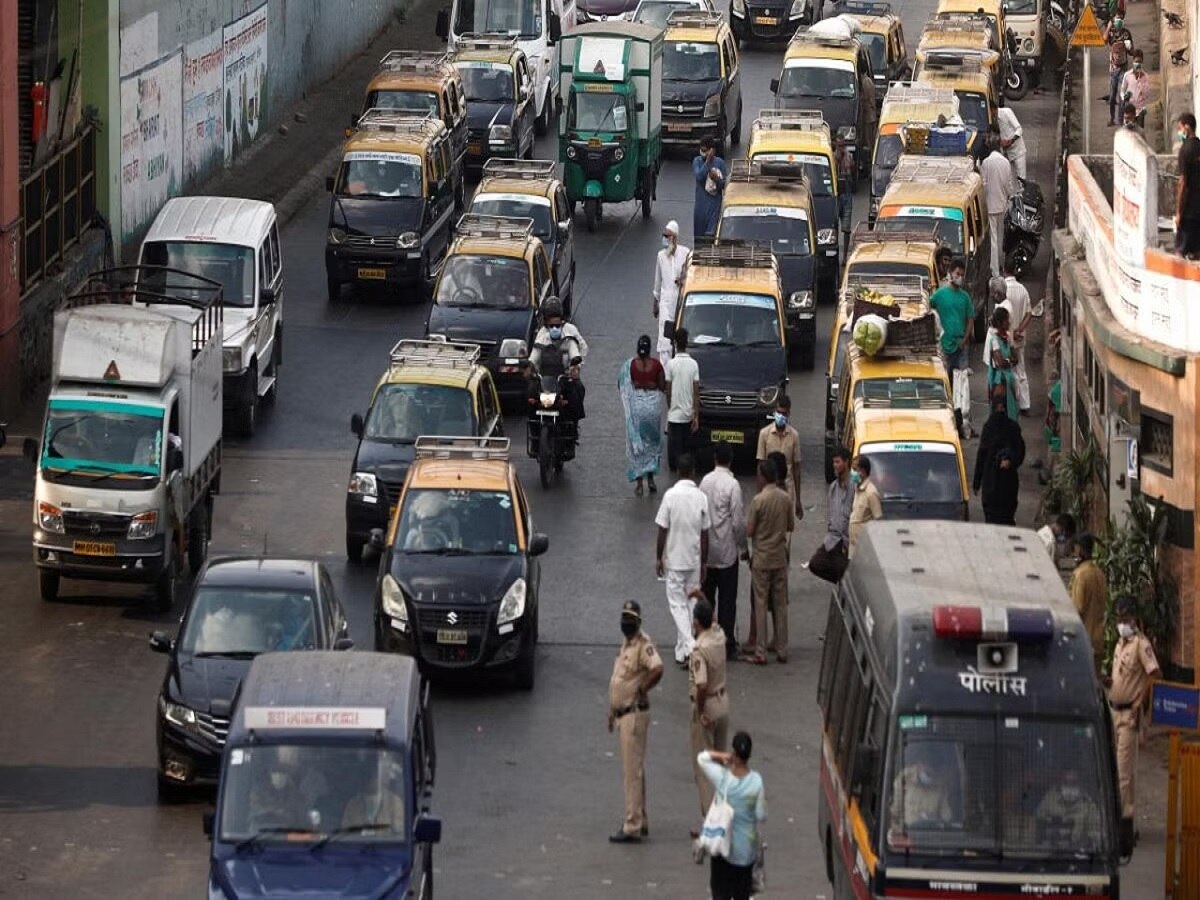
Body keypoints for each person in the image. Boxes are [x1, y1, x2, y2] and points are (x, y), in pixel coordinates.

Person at [1107, 595, 1160, 853]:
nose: (1122, 623)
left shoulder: (1141, 644)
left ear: (1134, 619)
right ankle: (1121, 820)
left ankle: (1124, 827)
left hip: (1129, 716)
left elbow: (1153, 674)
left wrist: (1141, 702)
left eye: (1125, 619)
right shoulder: (1120, 644)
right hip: (1114, 712)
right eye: (1119, 619)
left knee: (1123, 774)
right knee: (1115, 769)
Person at [608, 600, 664, 843]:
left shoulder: (643, 645)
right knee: (635, 770)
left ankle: (632, 824)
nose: (625, 623)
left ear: (638, 623)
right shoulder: (626, 644)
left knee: (632, 773)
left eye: (630, 619)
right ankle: (641, 819)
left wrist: (642, 688)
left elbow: (658, 669)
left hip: (634, 714)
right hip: (623, 713)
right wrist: (612, 710)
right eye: (624, 618)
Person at [655, 453, 710, 666]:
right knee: (690, 603)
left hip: (675, 559)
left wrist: (659, 557)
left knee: (677, 605)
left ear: (678, 472)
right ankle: (682, 651)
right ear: (693, 472)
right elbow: (705, 534)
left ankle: (690, 646)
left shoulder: (670, 496)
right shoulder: (701, 497)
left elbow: (662, 529)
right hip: (694, 559)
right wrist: (704, 561)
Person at [696, 734, 766, 900]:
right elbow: (761, 815)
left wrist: (722, 756)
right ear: (749, 755)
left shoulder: (723, 778)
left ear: (734, 753)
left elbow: (702, 758)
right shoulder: (756, 781)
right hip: (745, 854)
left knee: (720, 894)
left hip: (723, 849)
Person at [699, 442, 746, 659]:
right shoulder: (733, 485)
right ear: (731, 459)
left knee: (707, 599)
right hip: (727, 553)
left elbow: (699, 516)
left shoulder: (705, 483)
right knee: (727, 601)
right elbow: (737, 522)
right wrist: (743, 547)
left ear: (714, 458)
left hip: (707, 553)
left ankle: (706, 642)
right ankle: (727, 646)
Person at [745, 458, 793, 665]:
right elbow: (790, 526)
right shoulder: (785, 498)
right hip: (780, 558)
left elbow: (749, 531)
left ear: (763, 477)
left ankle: (761, 650)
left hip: (762, 559)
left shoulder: (758, 501)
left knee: (761, 603)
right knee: (780, 604)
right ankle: (782, 648)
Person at [688, 595, 731, 816]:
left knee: (704, 768)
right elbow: (711, 617)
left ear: (696, 622)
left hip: (708, 707)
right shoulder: (718, 635)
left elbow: (701, 684)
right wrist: (700, 597)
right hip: (723, 702)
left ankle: (711, 821)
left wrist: (700, 710)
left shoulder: (700, 648)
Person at [929, 258, 974, 437]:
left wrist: (965, 338)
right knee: (945, 385)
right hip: (944, 346)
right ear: (950, 274)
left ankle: (963, 423)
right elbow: (928, 309)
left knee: (961, 386)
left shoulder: (965, 297)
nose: (960, 278)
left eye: (962, 275)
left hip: (961, 346)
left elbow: (970, 319)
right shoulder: (939, 295)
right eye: (957, 274)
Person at [618, 334, 666, 497]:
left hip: (637, 411)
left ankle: (639, 484)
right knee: (651, 445)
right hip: (653, 411)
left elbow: (623, 385)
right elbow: (662, 386)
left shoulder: (630, 366)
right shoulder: (657, 365)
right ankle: (651, 479)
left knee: (637, 447)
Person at [973, 388, 1026, 525]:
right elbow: (1020, 451)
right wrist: (1012, 462)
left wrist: (976, 483)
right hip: (1005, 484)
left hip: (993, 484)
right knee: (1005, 518)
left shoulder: (989, 427)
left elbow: (981, 455)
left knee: (994, 519)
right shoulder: (1011, 427)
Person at [755, 394, 804, 521]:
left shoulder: (794, 436)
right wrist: (759, 494)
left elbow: (796, 469)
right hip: (768, 489)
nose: (780, 416)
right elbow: (760, 465)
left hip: (787, 490)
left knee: (785, 529)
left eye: (783, 413)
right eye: (778, 412)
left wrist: (798, 500)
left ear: (788, 413)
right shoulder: (764, 434)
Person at [809, 446, 853, 583]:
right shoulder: (833, 487)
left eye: (838, 462)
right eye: (834, 462)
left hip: (846, 542)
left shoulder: (854, 486)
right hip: (832, 539)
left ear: (846, 463)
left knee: (844, 570)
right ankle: (841, 581)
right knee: (815, 564)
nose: (835, 465)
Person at [889, 743, 955, 833]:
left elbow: (947, 818)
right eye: (928, 774)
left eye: (933, 775)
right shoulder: (904, 780)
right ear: (920, 765)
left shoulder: (941, 786)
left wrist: (936, 821)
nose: (930, 778)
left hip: (930, 837)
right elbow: (893, 815)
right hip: (906, 837)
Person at [1032, 767, 1102, 847]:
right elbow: (1038, 820)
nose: (1069, 787)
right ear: (1061, 783)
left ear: (1080, 784)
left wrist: (1084, 840)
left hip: (1077, 853)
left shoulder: (1088, 805)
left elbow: (1095, 833)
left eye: (1073, 783)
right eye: (1066, 782)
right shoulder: (1050, 799)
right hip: (1050, 851)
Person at [653, 220, 690, 365]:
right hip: (666, 304)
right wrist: (655, 302)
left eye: (667, 236)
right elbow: (658, 280)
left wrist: (683, 278)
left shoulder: (686, 253)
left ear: (674, 237)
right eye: (664, 235)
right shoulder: (661, 256)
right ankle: (665, 373)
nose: (665, 238)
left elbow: (690, 272)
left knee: (679, 336)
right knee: (664, 341)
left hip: (680, 302)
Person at [1070, 533, 1108, 677]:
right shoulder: (1099, 573)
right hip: (1098, 640)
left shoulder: (1081, 575)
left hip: (1083, 642)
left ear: (1080, 550)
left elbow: (1078, 609)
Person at [981, 135, 1018, 278]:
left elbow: (983, 185)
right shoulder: (1005, 163)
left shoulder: (986, 163)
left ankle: (994, 270)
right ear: (1000, 148)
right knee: (1001, 238)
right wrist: (1010, 196)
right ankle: (1001, 266)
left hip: (990, 206)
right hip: (1002, 205)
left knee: (993, 239)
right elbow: (1009, 186)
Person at [664, 328, 700, 472]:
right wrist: (695, 415)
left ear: (675, 343)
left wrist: (671, 407)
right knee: (688, 450)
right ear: (687, 343)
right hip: (688, 416)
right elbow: (696, 392)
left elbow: (668, 390)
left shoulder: (671, 364)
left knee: (677, 450)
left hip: (675, 417)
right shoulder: (693, 364)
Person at [341, 754, 407, 830]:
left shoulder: (395, 803)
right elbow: (345, 833)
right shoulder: (352, 805)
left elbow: (399, 833)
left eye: (374, 774)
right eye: (368, 774)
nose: (371, 778)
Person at [1001, 260, 1032, 414]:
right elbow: (1029, 313)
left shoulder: (1002, 291)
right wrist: (1019, 330)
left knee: (1008, 370)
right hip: (1020, 337)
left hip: (1006, 338)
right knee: (1021, 370)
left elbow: (1000, 317)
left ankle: (1012, 402)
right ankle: (1024, 405)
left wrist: (1011, 332)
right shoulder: (1023, 290)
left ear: (1004, 271)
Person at [984, 304, 1020, 421]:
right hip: (999, 380)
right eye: (1006, 320)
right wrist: (1010, 360)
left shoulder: (1008, 337)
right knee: (1001, 408)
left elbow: (1016, 358)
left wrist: (1008, 360)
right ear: (1000, 323)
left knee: (1012, 407)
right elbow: (1000, 362)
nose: (1009, 323)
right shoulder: (994, 340)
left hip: (1008, 377)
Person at [847, 454, 883, 558]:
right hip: (854, 548)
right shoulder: (857, 489)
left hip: (865, 551)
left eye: (854, 469)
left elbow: (878, 521)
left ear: (862, 471)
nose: (852, 473)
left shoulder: (871, 493)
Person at [1175, 113, 1200, 260]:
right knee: (1197, 253)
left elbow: (1183, 183)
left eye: (1180, 128)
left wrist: (1179, 212)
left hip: (1189, 212)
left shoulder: (1185, 150)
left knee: (1180, 252)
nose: (1180, 132)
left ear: (1187, 126)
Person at [693, 136, 728, 239]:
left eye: (705, 150)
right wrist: (707, 163)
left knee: (710, 238)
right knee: (699, 238)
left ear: (712, 150)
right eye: (701, 150)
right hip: (700, 208)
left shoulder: (720, 163)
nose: (703, 153)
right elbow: (699, 176)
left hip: (714, 208)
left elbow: (724, 185)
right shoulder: (697, 161)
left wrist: (716, 179)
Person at [1104, 17, 1133, 127]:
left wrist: (1129, 47)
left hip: (1123, 69)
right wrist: (1108, 27)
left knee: (1122, 96)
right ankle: (1112, 118)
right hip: (1113, 70)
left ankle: (1120, 120)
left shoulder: (1126, 34)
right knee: (1112, 97)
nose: (1118, 21)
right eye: (1116, 19)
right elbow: (1104, 40)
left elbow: (1131, 51)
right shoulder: (1111, 33)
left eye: (1120, 19)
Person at [834, 135, 854, 257]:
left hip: (846, 195)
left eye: (843, 146)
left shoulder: (849, 157)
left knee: (846, 229)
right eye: (839, 146)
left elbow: (852, 179)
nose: (841, 148)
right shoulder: (831, 157)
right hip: (836, 196)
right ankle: (834, 254)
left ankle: (845, 256)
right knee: (834, 227)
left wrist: (847, 166)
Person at [1119, 50, 1150, 129]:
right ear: (1133, 61)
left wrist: (1140, 82)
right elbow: (1122, 90)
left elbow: (1146, 95)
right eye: (1136, 61)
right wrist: (1124, 97)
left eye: (1139, 62)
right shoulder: (1127, 75)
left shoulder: (1145, 77)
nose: (1137, 64)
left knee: (1139, 133)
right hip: (1129, 110)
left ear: (1142, 62)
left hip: (1140, 110)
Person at [996, 105, 1027, 180]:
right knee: (1011, 181)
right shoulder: (993, 119)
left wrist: (1011, 141)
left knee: (1021, 179)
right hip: (1007, 153)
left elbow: (1019, 129)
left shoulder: (1006, 112)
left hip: (1018, 152)